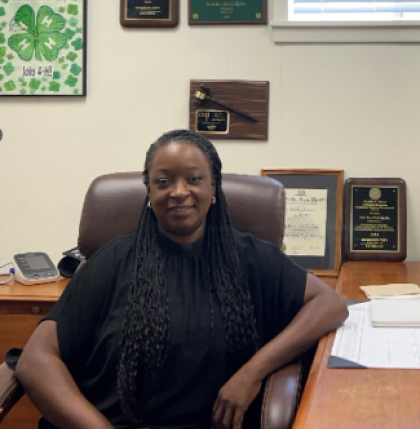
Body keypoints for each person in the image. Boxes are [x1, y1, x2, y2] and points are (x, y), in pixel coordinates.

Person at [16, 129, 348, 429]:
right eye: (163, 182)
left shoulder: (251, 257)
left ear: (213, 186)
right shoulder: (113, 260)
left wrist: (252, 372)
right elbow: (36, 360)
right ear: (148, 190)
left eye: (193, 179)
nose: (179, 192)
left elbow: (329, 304)